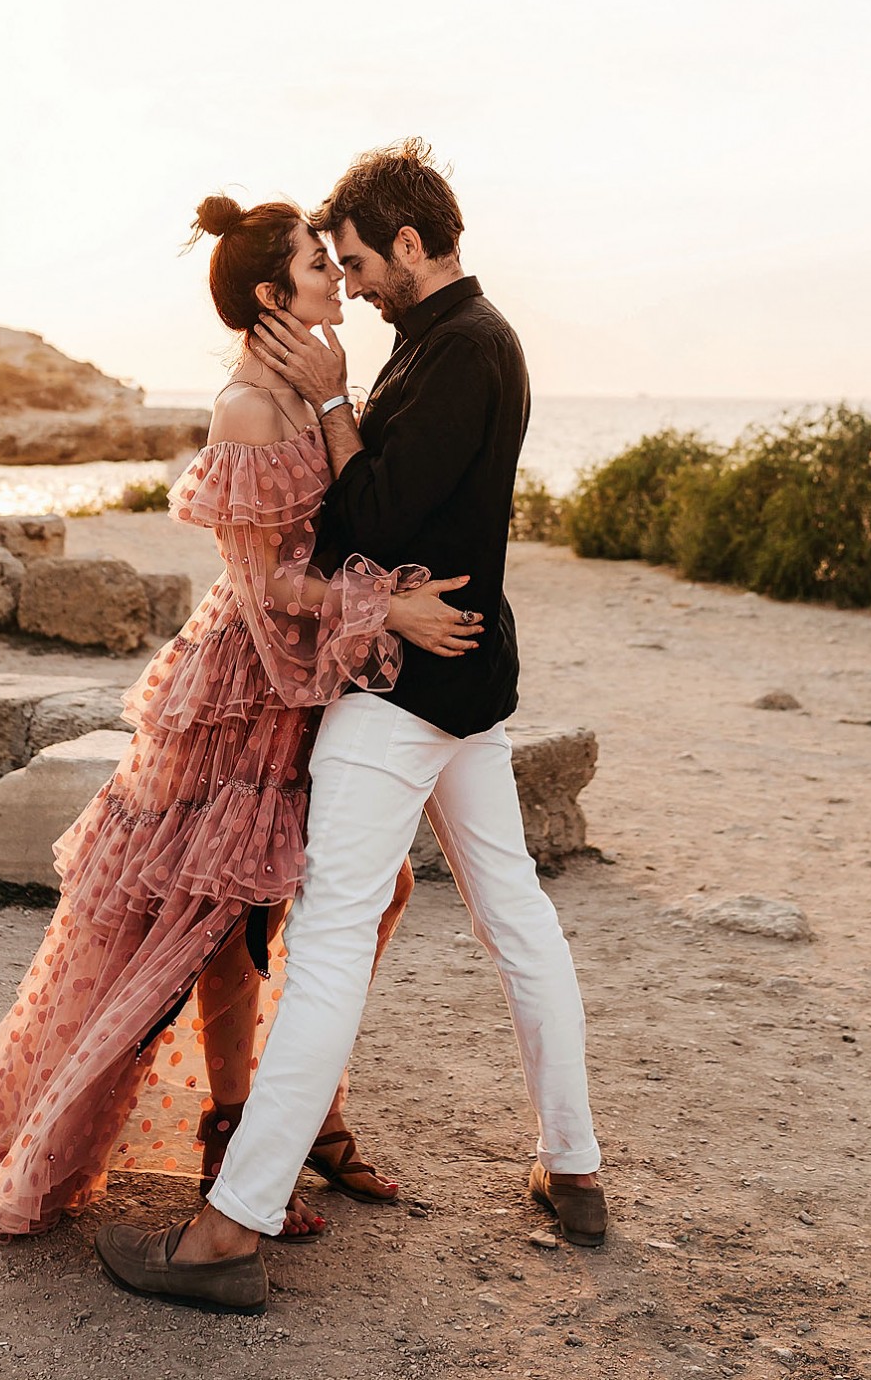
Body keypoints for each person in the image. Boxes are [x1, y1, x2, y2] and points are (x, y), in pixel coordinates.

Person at [96, 140, 605, 1316]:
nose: (357, 283)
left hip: (405, 693)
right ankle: (572, 1166)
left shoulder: (463, 349)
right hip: (463, 680)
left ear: (412, 244)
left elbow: (366, 515)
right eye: (338, 264)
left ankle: (228, 1228)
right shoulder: (449, 339)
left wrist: (330, 401)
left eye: (364, 261)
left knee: (329, 943)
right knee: (517, 916)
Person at [0, 193, 476, 1240]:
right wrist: (384, 609)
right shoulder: (246, 410)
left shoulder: (313, 383)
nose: (337, 276)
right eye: (317, 264)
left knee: (375, 885)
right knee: (233, 913)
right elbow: (266, 583)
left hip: (314, 671)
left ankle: (309, 1112)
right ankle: (233, 1134)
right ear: (272, 293)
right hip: (246, 683)